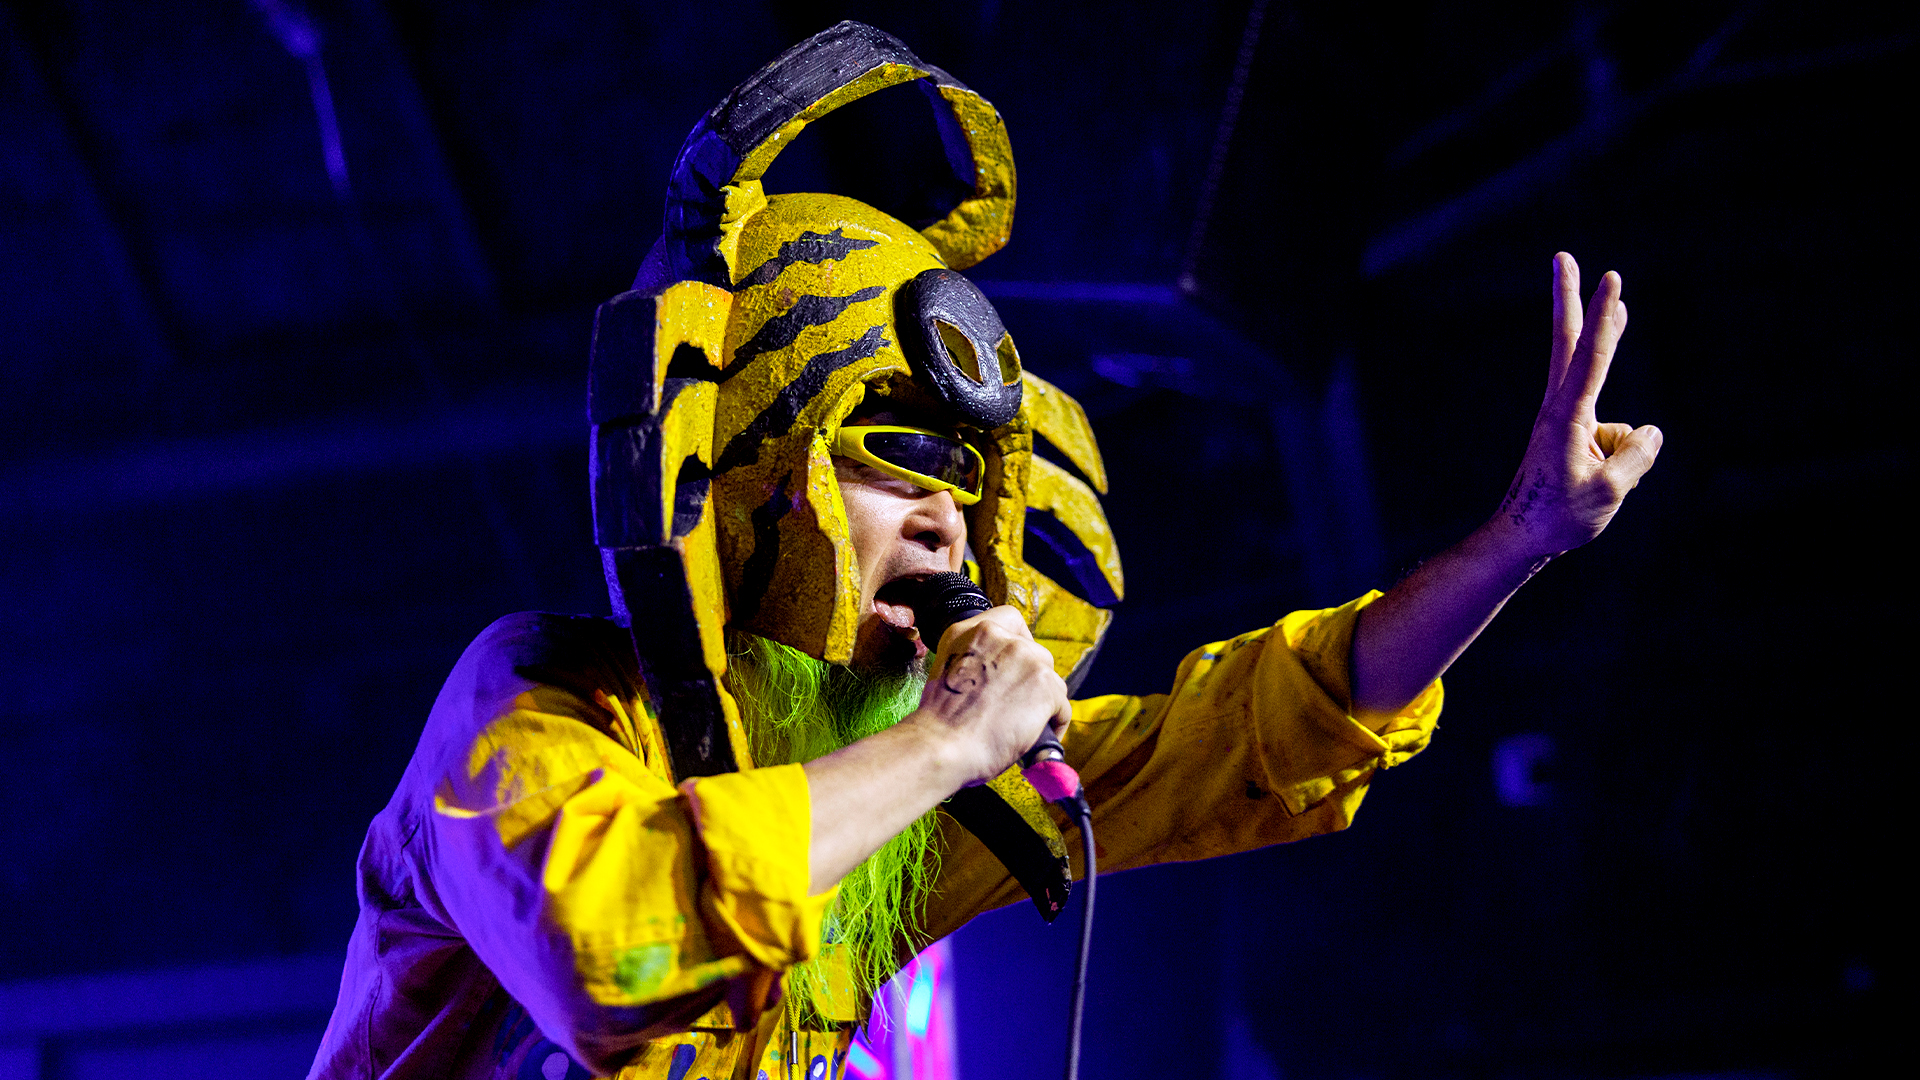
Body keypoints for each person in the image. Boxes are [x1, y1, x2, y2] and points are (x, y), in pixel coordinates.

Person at [307, 22, 1660, 1080]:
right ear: (752, 469)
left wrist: (1517, 543)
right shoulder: (538, 702)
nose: (945, 521)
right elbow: (612, 947)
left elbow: (1244, 738)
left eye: (966, 488)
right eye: (892, 459)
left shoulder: (890, 823)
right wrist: (947, 744)